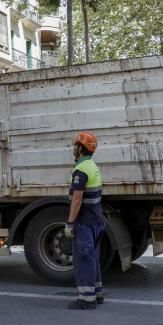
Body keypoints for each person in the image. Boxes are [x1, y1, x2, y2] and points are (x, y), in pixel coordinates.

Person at [65, 131, 105, 310]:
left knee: (83, 259)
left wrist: (70, 223)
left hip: (84, 222)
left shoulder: (80, 170)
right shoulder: (93, 166)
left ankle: (86, 299)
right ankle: (97, 293)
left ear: (81, 148)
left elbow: (77, 200)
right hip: (96, 220)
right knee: (93, 259)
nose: (73, 148)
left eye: (75, 145)